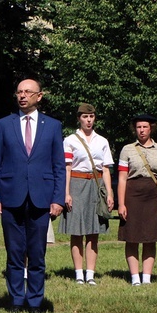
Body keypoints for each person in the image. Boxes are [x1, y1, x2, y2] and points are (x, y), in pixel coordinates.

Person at [0, 77, 65, 313]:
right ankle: (16, 300)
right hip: (11, 197)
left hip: (41, 198)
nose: (22, 96)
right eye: (19, 92)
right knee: (14, 253)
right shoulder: (3, 124)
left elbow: (58, 166)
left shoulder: (52, 125)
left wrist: (58, 198)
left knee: (37, 254)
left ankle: (35, 301)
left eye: (28, 92)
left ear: (39, 96)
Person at [58, 103, 114, 286]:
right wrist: (66, 193)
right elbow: (67, 168)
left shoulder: (102, 141)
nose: (88, 120)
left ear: (94, 118)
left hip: (96, 185)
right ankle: (78, 274)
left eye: (91, 117)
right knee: (76, 231)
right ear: (79, 118)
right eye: (84, 117)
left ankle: (90, 273)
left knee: (93, 231)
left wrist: (109, 194)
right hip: (76, 183)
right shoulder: (70, 140)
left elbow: (105, 169)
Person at [117, 113, 157, 286]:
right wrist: (121, 203)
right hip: (132, 195)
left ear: (151, 128)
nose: (141, 130)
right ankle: (135, 278)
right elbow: (122, 178)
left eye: (145, 127)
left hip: (153, 196)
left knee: (150, 237)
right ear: (135, 129)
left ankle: (147, 278)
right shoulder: (127, 149)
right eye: (138, 127)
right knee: (131, 237)